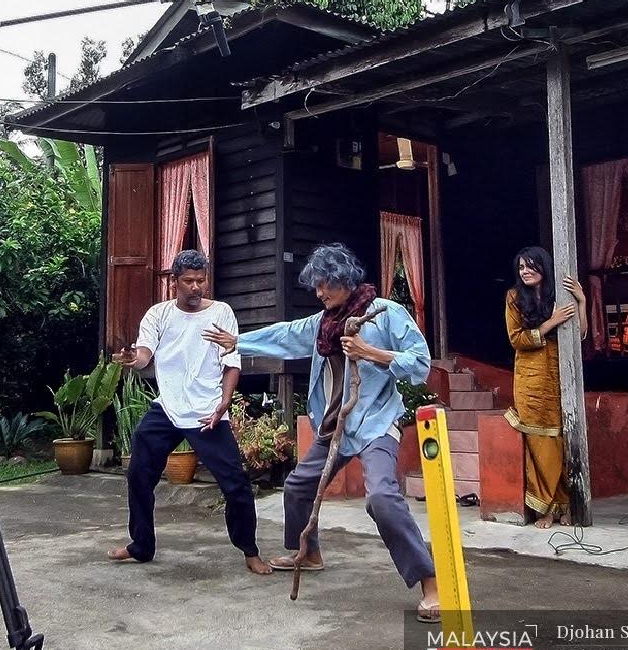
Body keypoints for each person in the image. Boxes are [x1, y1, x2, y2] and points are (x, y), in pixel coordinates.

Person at [204, 243, 441, 622]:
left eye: (323, 284)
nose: (318, 293)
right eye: (315, 286)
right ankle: (309, 552)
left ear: (342, 279)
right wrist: (239, 342)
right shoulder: (322, 324)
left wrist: (370, 352)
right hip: (335, 427)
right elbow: (285, 335)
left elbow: (420, 363)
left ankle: (430, 583)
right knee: (298, 487)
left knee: (382, 498)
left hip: (376, 423)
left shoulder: (386, 314)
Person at [107, 250, 271, 576]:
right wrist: (133, 359)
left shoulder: (221, 313)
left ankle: (250, 551)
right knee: (139, 475)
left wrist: (224, 403)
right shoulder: (158, 315)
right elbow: (144, 355)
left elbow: (232, 364)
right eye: (188, 281)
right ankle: (141, 545)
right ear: (174, 282)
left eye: (200, 280)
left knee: (236, 484)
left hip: (207, 411)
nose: (196, 287)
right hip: (167, 408)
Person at [504, 246, 587, 529]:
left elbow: (579, 334)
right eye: (521, 268)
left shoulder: (559, 295)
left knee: (562, 441)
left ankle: (565, 506)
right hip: (531, 380)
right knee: (541, 443)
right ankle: (546, 509)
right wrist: (551, 322)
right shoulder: (514, 297)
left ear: (543, 267)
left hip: (560, 375)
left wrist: (582, 301)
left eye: (530, 266)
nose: (525, 272)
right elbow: (517, 339)